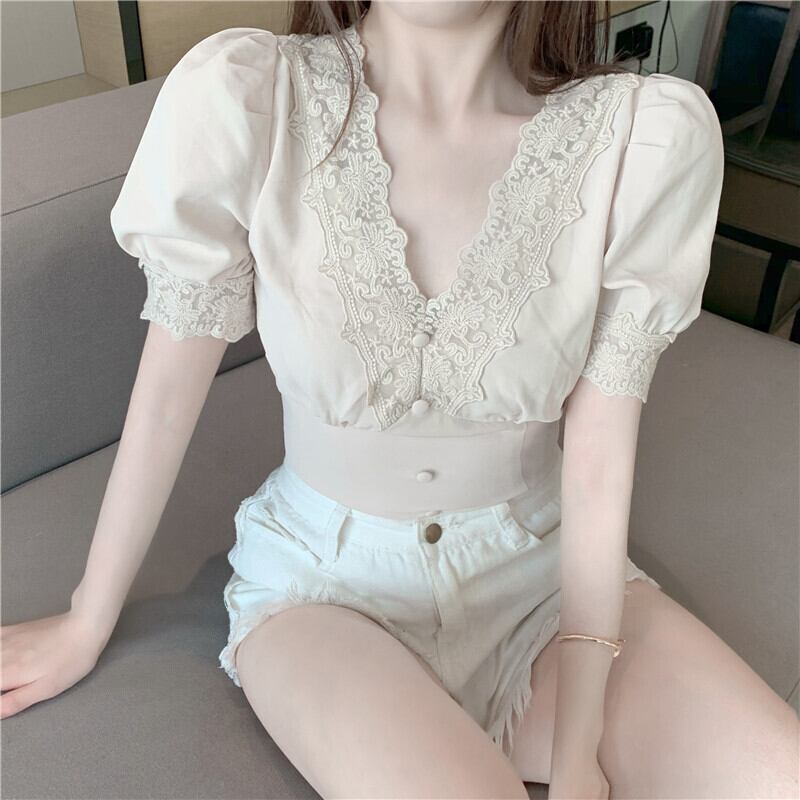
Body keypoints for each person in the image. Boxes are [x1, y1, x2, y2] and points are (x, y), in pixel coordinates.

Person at [2, 1, 798, 798]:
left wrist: (578, 751)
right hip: (323, 589)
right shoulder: (252, 97)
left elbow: (597, 461)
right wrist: (85, 620)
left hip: (541, 582)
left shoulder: (635, 136)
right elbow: (166, 400)